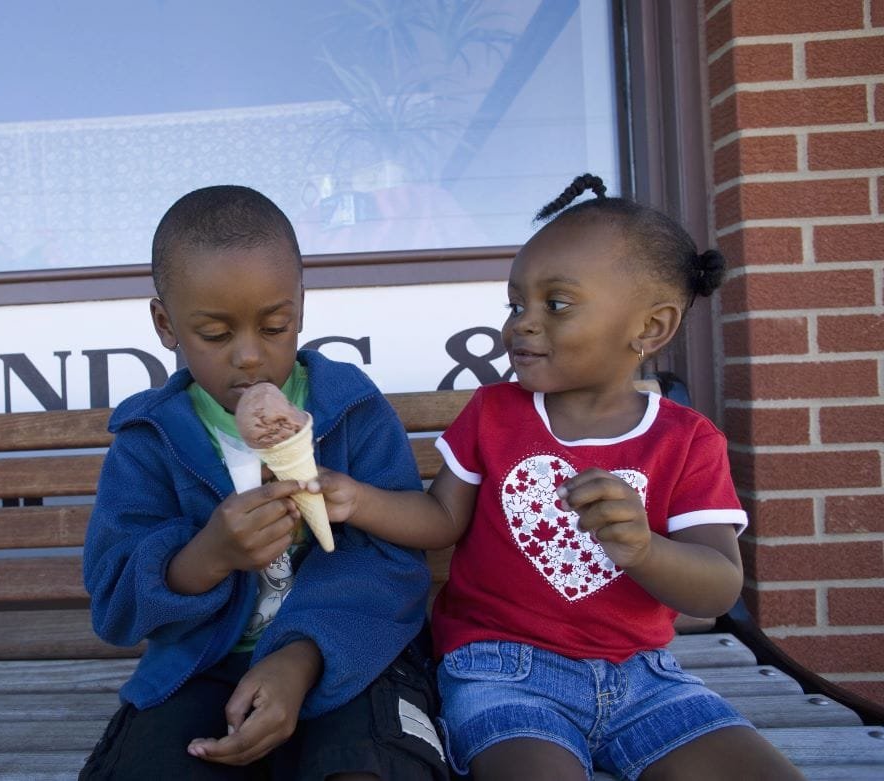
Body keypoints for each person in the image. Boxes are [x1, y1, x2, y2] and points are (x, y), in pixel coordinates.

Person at [312, 175, 804, 780]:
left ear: (649, 329)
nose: (522, 322)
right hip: (500, 670)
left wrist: (644, 550)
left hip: (644, 678)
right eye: (516, 304)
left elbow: (718, 588)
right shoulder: (495, 414)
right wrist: (356, 499)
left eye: (557, 304)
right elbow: (441, 520)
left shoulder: (687, 441)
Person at [80, 185, 449, 780]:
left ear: (299, 309)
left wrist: (300, 660)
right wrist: (206, 556)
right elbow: (116, 604)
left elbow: (392, 562)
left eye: (274, 327)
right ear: (165, 323)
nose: (250, 358)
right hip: (204, 665)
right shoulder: (150, 440)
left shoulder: (351, 411)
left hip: (351, 654)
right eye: (217, 335)